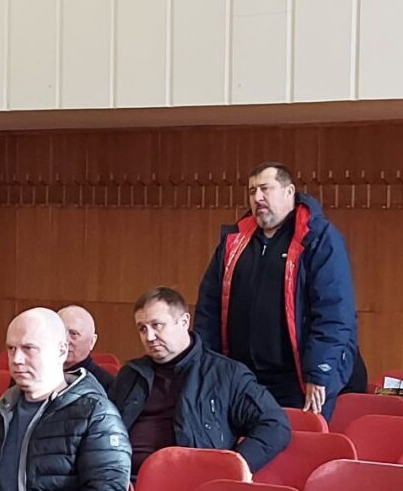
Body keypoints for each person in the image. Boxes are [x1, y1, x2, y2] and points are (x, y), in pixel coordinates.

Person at [195, 161, 358, 418]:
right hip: (241, 378)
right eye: (252, 191)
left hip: (297, 381)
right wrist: (206, 367)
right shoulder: (234, 241)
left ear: (289, 191)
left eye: (265, 189)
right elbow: (209, 308)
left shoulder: (318, 237)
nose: (257, 197)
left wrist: (319, 372)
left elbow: (334, 313)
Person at [110, 287, 290, 478]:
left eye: (157, 325)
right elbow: (103, 427)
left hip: (189, 480)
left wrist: (235, 465)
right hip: (121, 478)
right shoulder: (131, 374)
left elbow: (275, 425)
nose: (149, 337)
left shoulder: (226, 374)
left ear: (184, 322)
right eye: (142, 329)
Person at [0, 307, 131, 491]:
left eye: (29, 348)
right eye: (11, 349)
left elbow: (107, 487)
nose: (17, 359)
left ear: (61, 351)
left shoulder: (97, 416)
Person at [58, 305, 115, 390]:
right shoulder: (39, 374)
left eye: (74, 334)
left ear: (92, 341)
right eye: (59, 332)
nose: (64, 341)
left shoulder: (106, 385)